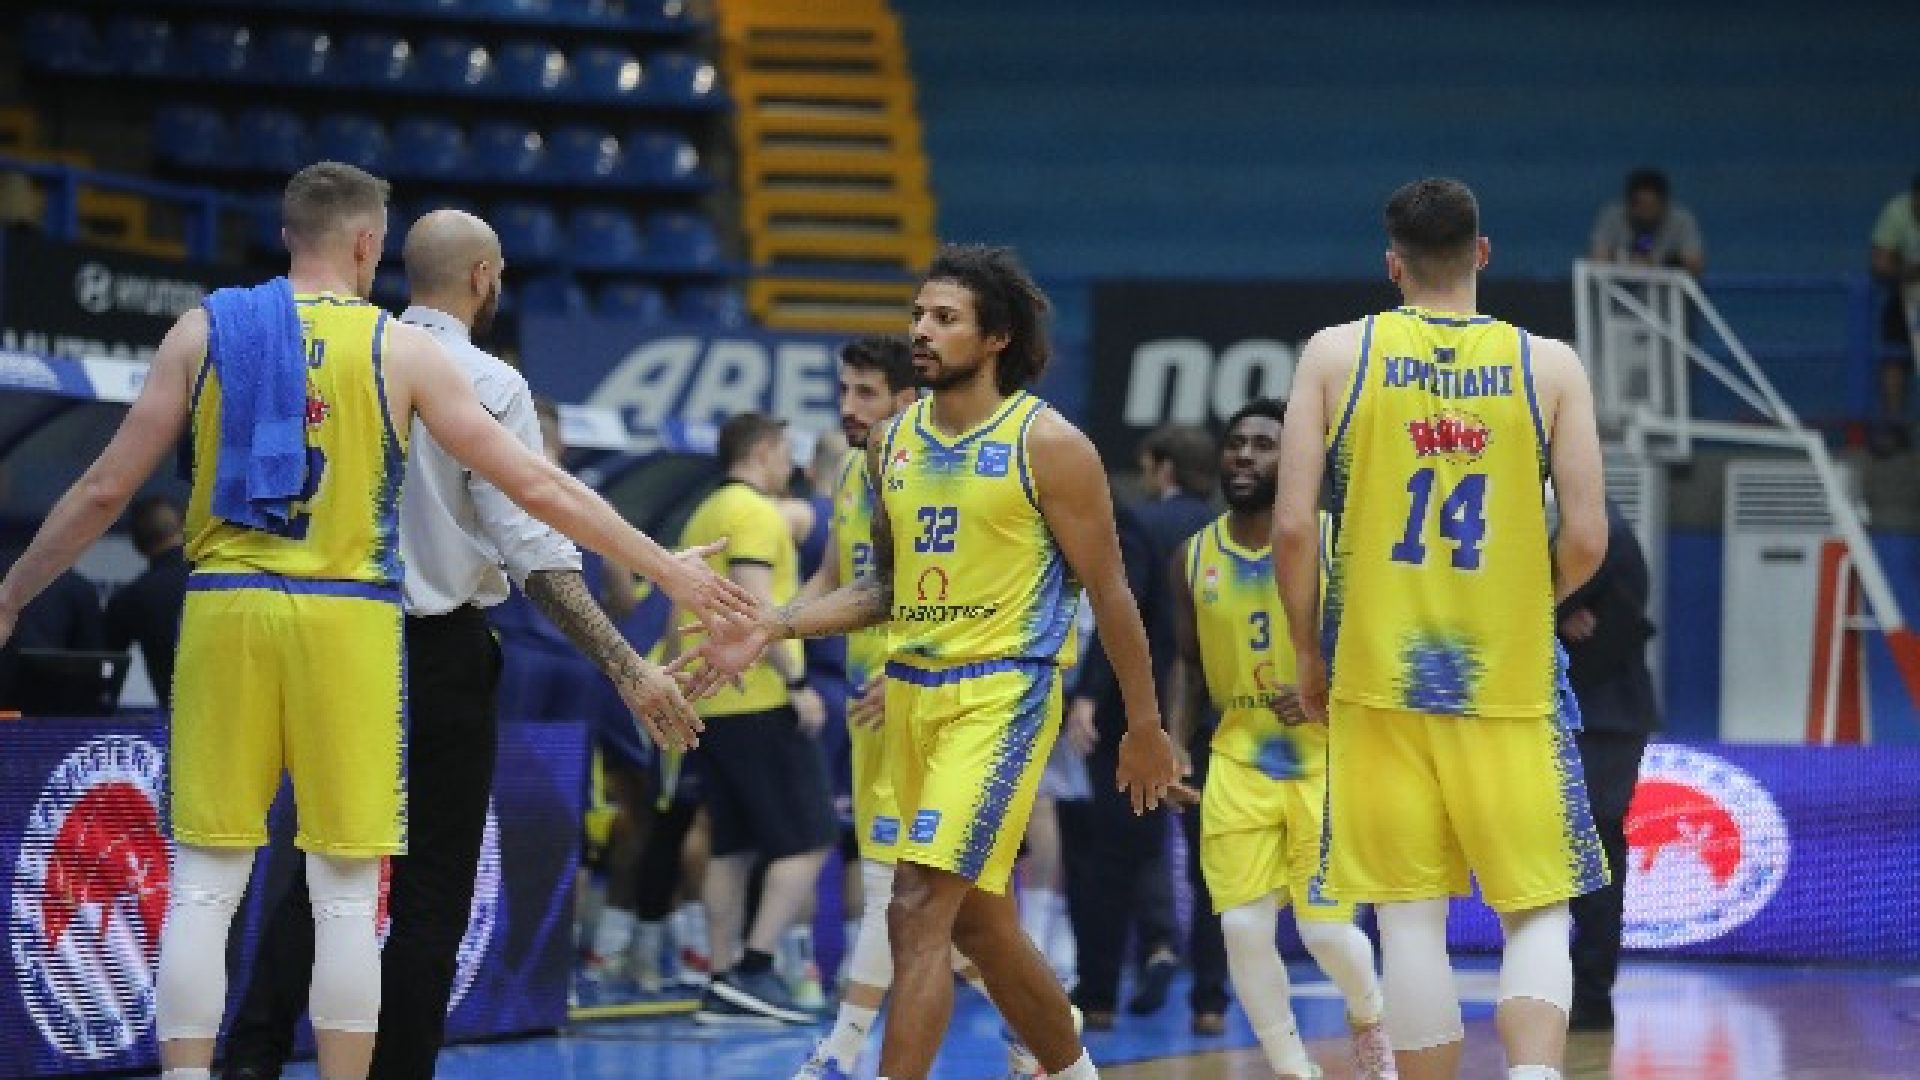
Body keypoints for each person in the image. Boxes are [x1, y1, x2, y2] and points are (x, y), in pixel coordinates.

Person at [0, 162, 747, 1080]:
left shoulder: (206, 329)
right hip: (350, 619)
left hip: (228, 606)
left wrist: (12, 592)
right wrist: (662, 564)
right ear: (367, 245)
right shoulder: (402, 353)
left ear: (287, 235)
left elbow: (105, 488)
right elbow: (536, 486)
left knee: (204, 883)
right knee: (347, 891)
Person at [687, 244, 1187, 1080]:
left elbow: (1110, 592)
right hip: (910, 696)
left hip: (1001, 696)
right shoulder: (890, 445)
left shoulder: (1048, 444)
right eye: (919, 314)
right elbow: (886, 587)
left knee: (914, 905)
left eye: (945, 318)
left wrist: (1144, 723)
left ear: (996, 337)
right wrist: (774, 625)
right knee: (979, 926)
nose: (921, 330)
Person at [221, 207, 696, 1080]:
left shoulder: (343, 358)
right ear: (484, 277)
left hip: (328, 635)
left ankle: (248, 1059)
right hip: (437, 649)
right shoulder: (488, 382)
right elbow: (537, 554)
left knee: (324, 870)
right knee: (433, 890)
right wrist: (628, 666)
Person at [1274, 177, 1609, 1080]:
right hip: (1509, 680)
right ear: (1482, 252)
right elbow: (1586, 538)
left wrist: (1306, 650)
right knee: (1536, 909)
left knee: (1407, 913)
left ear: (1393, 265)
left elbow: (1295, 528)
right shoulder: (1551, 366)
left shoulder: (1335, 354)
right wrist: (1524, 602)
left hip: (1377, 673)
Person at [1170, 398, 1395, 1080]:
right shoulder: (1193, 556)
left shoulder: (1337, 545)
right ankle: (1293, 1066)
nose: (1245, 454)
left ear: (1298, 460)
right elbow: (1186, 663)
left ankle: (1369, 1020)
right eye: (1236, 442)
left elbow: (1385, 645)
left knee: (1326, 933)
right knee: (1241, 927)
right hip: (1236, 758)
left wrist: (1328, 686)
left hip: (1327, 762)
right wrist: (1174, 741)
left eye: (1264, 444)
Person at [676, 411, 839, 1025]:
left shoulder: (705, 511)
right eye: (786, 452)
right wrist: (796, 682)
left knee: (733, 845)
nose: (791, 466)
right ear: (764, 450)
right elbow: (756, 607)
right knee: (813, 836)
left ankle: (722, 981)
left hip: (713, 701)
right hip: (760, 697)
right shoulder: (754, 513)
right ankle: (756, 966)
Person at [1065, 424, 1221, 1032]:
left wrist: (1088, 695)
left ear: (1163, 468)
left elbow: (1119, 615)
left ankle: (1099, 994)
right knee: (1215, 870)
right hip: (1217, 716)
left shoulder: (1140, 524)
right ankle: (1210, 1002)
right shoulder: (1229, 532)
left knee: (1113, 861)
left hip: (1142, 717)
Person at [1558, 500, 1659, 1032]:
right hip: (1588, 714)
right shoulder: (1582, 522)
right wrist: (1555, 618)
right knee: (1579, 852)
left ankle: (1589, 992)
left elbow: (1612, 628)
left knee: (1593, 851)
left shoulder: (1598, 529)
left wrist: (1548, 617)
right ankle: (1574, 988)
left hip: (1601, 717)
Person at [105, 495, 190, 705]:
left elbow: (106, 668)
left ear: (137, 543)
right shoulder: (225, 577)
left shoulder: (132, 598)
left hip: (180, 715)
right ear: (185, 527)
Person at [1869, 173, 1920, 453]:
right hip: (1906, 298)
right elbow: (1881, 265)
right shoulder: (1897, 212)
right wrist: (1910, 271)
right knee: (1893, 360)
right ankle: (1896, 427)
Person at [1588, 168, 1704, 276]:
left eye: (1651, 206)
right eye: (1640, 205)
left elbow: (1695, 264)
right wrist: (1625, 264)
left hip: (1667, 287)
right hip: (1618, 285)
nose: (1645, 213)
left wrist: (1659, 263)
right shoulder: (1612, 217)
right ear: (1628, 204)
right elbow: (1598, 259)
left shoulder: (1681, 221)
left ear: (1664, 204)